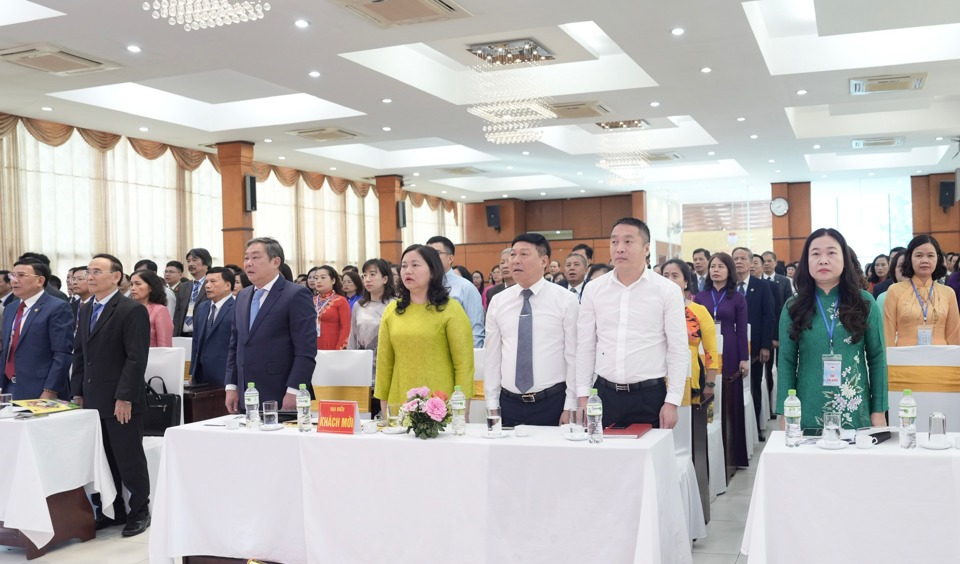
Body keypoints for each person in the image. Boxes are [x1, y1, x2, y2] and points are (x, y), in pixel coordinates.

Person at [577, 218, 688, 430]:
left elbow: (678, 349)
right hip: (603, 394)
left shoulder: (666, 290)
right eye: (614, 242)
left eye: (628, 242)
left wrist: (672, 401)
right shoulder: (594, 289)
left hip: (649, 396)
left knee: (649, 461)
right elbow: (585, 346)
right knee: (602, 460)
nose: (619, 248)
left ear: (646, 249)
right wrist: (582, 396)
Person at [71, 253, 151, 537]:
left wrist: (125, 397)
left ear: (116, 276)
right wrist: (77, 392)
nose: (89, 277)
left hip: (121, 400)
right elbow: (80, 354)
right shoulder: (84, 308)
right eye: (88, 271)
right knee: (104, 459)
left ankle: (140, 511)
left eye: (96, 271)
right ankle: (114, 510)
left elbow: (136, 358)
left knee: (128, 459)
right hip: (93, 398)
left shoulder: (131, 310)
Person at [778, 228, 888, 430]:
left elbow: (877, 357)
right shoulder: (793, 307)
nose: (823, 260)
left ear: (844, 259)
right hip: (807, 408)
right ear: (806, 261)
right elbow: (786, 361)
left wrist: (879, 411)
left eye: (831, 252)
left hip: (854, 407)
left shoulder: (864, 302)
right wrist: (785, 412)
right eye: (815, 254)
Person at [485, 233, 579, 427]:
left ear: (544, 260)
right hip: (508, 404)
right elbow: (492, 358)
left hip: (552, 402)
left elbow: (574, 356)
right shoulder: (498, 301)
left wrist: (570, 405)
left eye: (524, 254)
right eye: (513, 255)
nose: (515, 260)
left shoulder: (565, 300)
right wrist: (492, 405)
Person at [374, 245, 474, 411]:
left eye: (415, 265)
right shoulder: (392, 310)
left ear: (433, 271)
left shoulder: (451, 309)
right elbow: (384, 364)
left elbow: (464, 365)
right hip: (400, 402)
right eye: (404, 266)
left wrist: (461, 411)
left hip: (440, 406)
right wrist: (384, 408)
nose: (407, 271)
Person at [225, 237, 317, 412]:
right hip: (247, 393)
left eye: (256, 257)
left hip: (281, 391)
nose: (248, 263)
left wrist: (295, 390)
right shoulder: (243, 296)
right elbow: (235, 345)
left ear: (275, 262)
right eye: (246, 258)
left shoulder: (296, 295)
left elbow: (306, 350)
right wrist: (232, 386)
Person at [694, 252, 749, 468]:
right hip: (705, 349)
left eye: (721, 266)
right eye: (713, 266)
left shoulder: (736, 297)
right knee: (709, 394)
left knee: (730, 398)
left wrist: (744, 358)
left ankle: (734, 457)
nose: (716, 270)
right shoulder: (701, 296)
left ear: (729, 271)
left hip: (731, 350)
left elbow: (742, 330)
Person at [0, 259, 74, 400]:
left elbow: (62, 353)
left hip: (40, 389)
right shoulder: (10, 308)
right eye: (12, 276)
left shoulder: (57, 307)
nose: (14, 281)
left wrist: (50, 389)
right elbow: (7, 350)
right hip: (9, 386)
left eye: (21, 275)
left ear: (40, 281)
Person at [731, 246, 775, 441]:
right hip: (733, 347)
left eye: (742, 258)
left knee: (754, 387)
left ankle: (755, 426)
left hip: (756, 346)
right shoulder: (728, 286)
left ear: (751, 262)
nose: (739, 262)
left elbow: (768, 315)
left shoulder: (762, 285)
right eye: (735, 259)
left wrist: (766, 344)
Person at [883, 235, 960, 346]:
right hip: (903, 360)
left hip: (941, 360)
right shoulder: (895, 291)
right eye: (919, 255)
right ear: (910, 258)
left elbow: (954, 336)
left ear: (937, 259)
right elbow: (888, 334)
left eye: (930, 255)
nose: (925, 260)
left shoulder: (948, 293)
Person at [661, 259, 718, 401]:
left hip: (691, 378)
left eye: (675, 276)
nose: (669, 280)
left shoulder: (699, 311)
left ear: (685, 281)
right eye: (665, 276)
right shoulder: (652, 310)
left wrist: (710, 385)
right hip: (658, 380)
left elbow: (711, 351)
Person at [347, 258, 396, 418]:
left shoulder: (395, 304)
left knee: (387, 415)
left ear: (385, 278)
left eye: (373, 274)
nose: (367, 279)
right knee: (365, 416)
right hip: (364, 368)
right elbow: (353, 337)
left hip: (388, 365)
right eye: (365, 275)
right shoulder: (359, 305)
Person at [426, 236, 485, 348]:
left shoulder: (465, 287)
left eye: (436, 253)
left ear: (450, 258)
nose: (431, 258)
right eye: (428, 254)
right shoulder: (422, 286)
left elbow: (475, 330)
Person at [760, 250, 794, 413]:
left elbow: (785, 308)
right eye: (764, 261)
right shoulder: (758, 282)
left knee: (783, 368)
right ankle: (770, 408)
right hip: (765, 333)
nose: (766, 264)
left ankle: (784, 402)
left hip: (781, 332)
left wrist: (779, 335)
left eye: (769, 261)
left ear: (774, 263)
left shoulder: (784, 281)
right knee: (766, 371)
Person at [190, 267, 236, 387]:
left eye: (213, 281)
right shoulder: (202, 307)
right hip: (201, 375)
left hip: (224, 374)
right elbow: (196, 341)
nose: (207, 286)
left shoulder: (237, 307)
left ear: (227, 285)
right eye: (206, 282)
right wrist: (192, 371)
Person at [129, 270, 173, 347]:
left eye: (138, 284)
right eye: (131, 284)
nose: (133, 288)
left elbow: (164, 344)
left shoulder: (160, 310)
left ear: (151, 288)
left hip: (152, 357)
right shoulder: (127, 309)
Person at [173, 248, 211, 337]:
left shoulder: (212, 284)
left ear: (206, 263)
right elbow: (177, 315)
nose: (190, 264)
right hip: (183, 335)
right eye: (188, 261)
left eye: (194, 260)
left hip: (203, 334)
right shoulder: (183, 286)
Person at [313, 265, 351, 351]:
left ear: (333, 280)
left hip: (333, 347)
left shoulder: (341, 301)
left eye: (323, 277)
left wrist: (339, 349)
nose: (318, 281)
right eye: (316, 278)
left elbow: (346, 327)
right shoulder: (311, 300)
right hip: (312, 346)